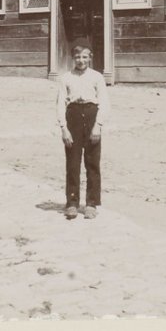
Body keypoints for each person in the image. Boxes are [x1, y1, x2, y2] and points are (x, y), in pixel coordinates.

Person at [56, 42, 109, 220]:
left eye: (85, 57)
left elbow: (104, 103)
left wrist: (98, 125)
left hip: (92, 115)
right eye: (78, 57)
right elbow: (60, 104)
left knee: (92, 162)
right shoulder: (65, 78)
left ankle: (92, 203)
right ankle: (72, 202)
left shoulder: (97, 77)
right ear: (73, 58)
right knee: (73, 162)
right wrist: (64, 128)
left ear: (90, 58)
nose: (81, 60)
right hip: (73, 117)